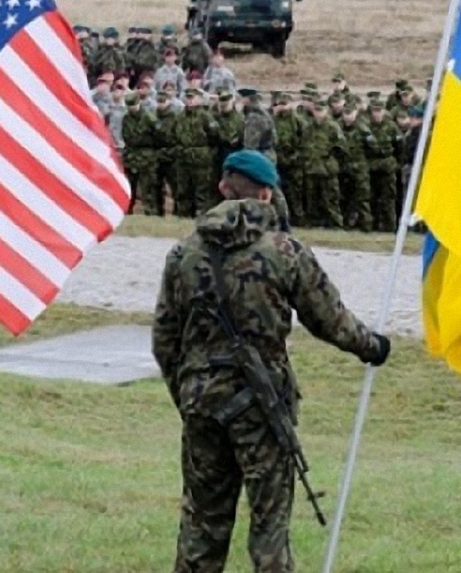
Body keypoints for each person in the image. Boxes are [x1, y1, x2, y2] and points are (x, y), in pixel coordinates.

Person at [152, 150, 390, 573]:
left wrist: (189, 392)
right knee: (269, 527)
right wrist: (372, 347)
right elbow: (330, 320)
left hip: (201, 404)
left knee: (202, 523)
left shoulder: (182, 253)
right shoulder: (285, 252)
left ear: (223, 188)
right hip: (260, 407)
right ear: (266, 193)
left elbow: (165, 339)